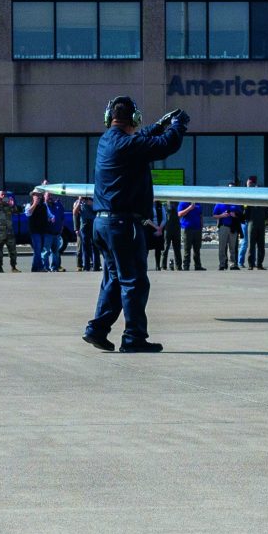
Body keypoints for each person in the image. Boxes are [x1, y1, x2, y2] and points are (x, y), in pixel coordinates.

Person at [82, 96, 188, 354]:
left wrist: (160, 124)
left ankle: (97, 329)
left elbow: (142, 139)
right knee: (134, 282)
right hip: (122, 224)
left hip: (103, 224)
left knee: (114, 280)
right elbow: (165, 146)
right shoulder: (129, 145)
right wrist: (178, 125)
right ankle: (133, 337)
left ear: (109, 119)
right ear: (135, 119)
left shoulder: (108, 139)